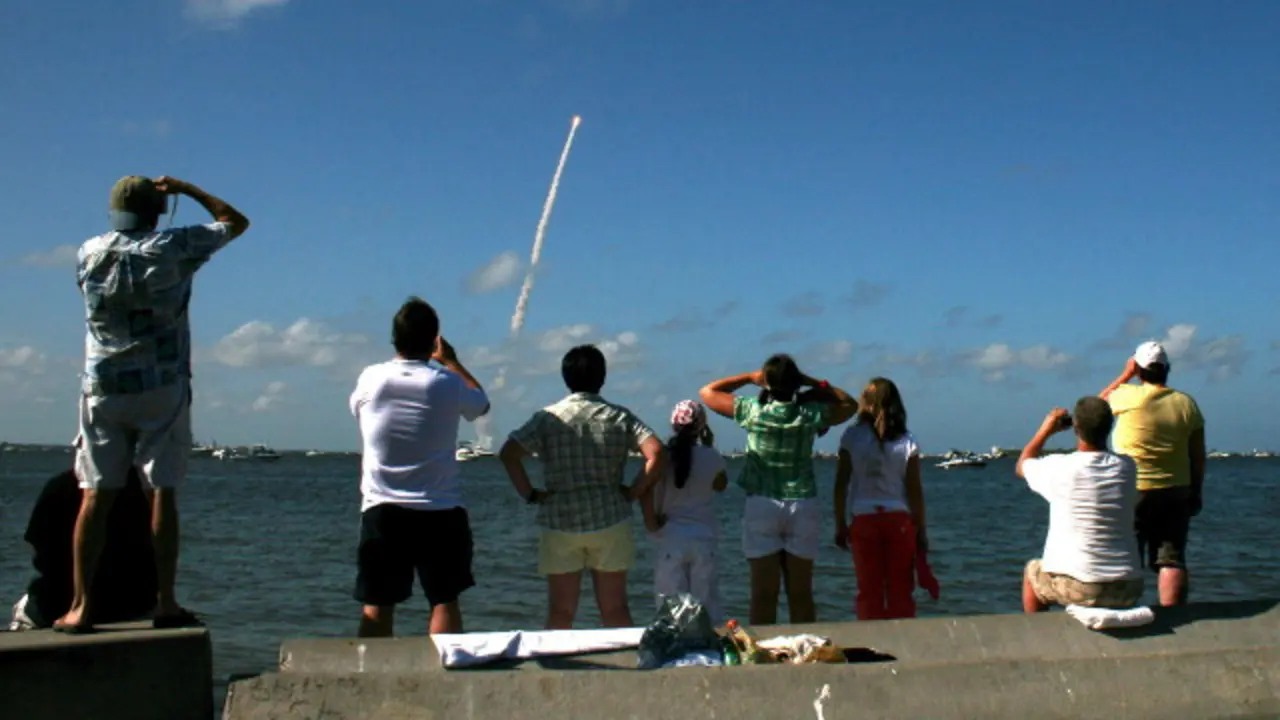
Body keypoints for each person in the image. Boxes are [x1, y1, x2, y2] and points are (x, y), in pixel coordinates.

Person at [59, 175, 250, 633]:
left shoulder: (88, 251)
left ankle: (81, 605)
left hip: (103, 383)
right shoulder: (171, 247)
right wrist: (189, 189)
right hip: (161, 382)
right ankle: (164, 600)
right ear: (156, 212)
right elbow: (234, 222)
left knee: (95, 496)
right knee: (161, 491)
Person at [348, 297, 489, 637]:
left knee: (377, 604)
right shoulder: (447, 383)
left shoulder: (371, 378)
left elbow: (357, 410)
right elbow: (481, 404)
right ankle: (446, 675)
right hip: (440, 508)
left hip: (383, 507)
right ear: (433, 340)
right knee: (444, 601)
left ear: (394, 338)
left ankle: (371, 678)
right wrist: (452, 362)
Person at [499, 344, 665, 629]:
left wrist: (530, 494)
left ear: (566, 378)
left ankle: (560, 667)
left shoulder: (547, 417)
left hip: (560, 519)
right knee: (615, 609)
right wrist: (634, 491)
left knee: (561, 612)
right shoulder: (619, 416)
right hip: (610, 516)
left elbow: (508, 454)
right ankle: (628, 667)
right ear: (602, 378)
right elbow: (657, 453)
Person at [699, 354, 857, 625]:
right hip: (802, 502)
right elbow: (849, 404)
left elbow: (708, 392)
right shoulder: (809, 414)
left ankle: (764, 657)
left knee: (762, 594)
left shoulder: (753, 411)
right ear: (796, 383)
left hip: (763, 502)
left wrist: (750, 377)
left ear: (767, 384)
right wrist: (812, 382)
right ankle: (805, 654)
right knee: (801, 594)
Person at [1100, 341, 1206, 606]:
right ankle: (1175, 615)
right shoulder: (1186, 404)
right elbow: (1198, 456)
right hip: (1176, 489)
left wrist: (1125, 375)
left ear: (1138, 369)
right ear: (1167, 369)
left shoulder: (1126, 396)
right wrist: (1196, 491)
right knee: (1172, 559)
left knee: (1127, 557)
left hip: (1134, 489)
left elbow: (1095, 408)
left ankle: (1125, 611)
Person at [1016, 398, 1144, 613]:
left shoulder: (1061, 467)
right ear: (1110, 427)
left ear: (1075, 427)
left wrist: (1046, 430)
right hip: (1129, 585)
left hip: (1085, 586)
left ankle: (1039, 639)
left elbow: (1022, 465)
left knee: (1032, 574)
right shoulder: (1127, 467)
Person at [10, 468, 157, 631]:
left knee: (25, 611)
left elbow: (40, 553)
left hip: (56, 603)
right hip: (134, 603)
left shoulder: (60, 486)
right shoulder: (146, 491)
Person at [833, 377, 927, 621]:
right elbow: (914, 490)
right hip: (898, 519)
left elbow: (841, 484)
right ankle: (904, 638)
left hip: (864, 519)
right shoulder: (907, 440)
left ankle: (870, 638)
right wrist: (921, 528)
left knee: (868, 588)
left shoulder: (852, 436)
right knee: (901, 588)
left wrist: (839, 523)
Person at [649, 400, 729, 623]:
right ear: (701, 427)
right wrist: (710, 446)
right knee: (707, 605)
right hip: (704, 536)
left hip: (671, 535)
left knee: (670, 608)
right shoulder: (711, 457)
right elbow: (721, 485)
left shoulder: (663, 457)